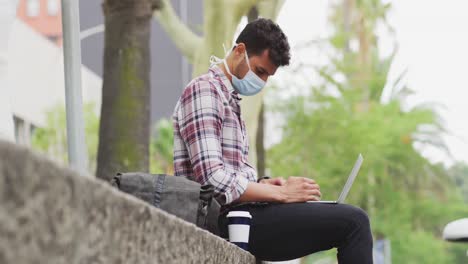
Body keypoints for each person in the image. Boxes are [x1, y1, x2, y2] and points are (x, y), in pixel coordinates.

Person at [172, 18, 373, 263]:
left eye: (268, 76)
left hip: (242, 215)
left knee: (347, 218)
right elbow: (213, 181)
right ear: (239, 51)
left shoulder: (230, 100)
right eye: (260, 71)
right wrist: (281, 194)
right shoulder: (203, 91)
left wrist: (266, 184)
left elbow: (230, 175)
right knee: (354, 222)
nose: (262, 82)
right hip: (222, 220)